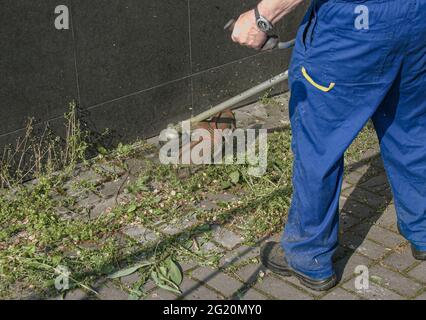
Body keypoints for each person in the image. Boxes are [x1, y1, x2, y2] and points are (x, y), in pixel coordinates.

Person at [231, 0, 426, 291]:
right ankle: (422, 229)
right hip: (415, 19)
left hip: (351, 30)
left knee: (318, 143)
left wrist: (262, 17)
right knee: (411, 130)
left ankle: (308, 255)